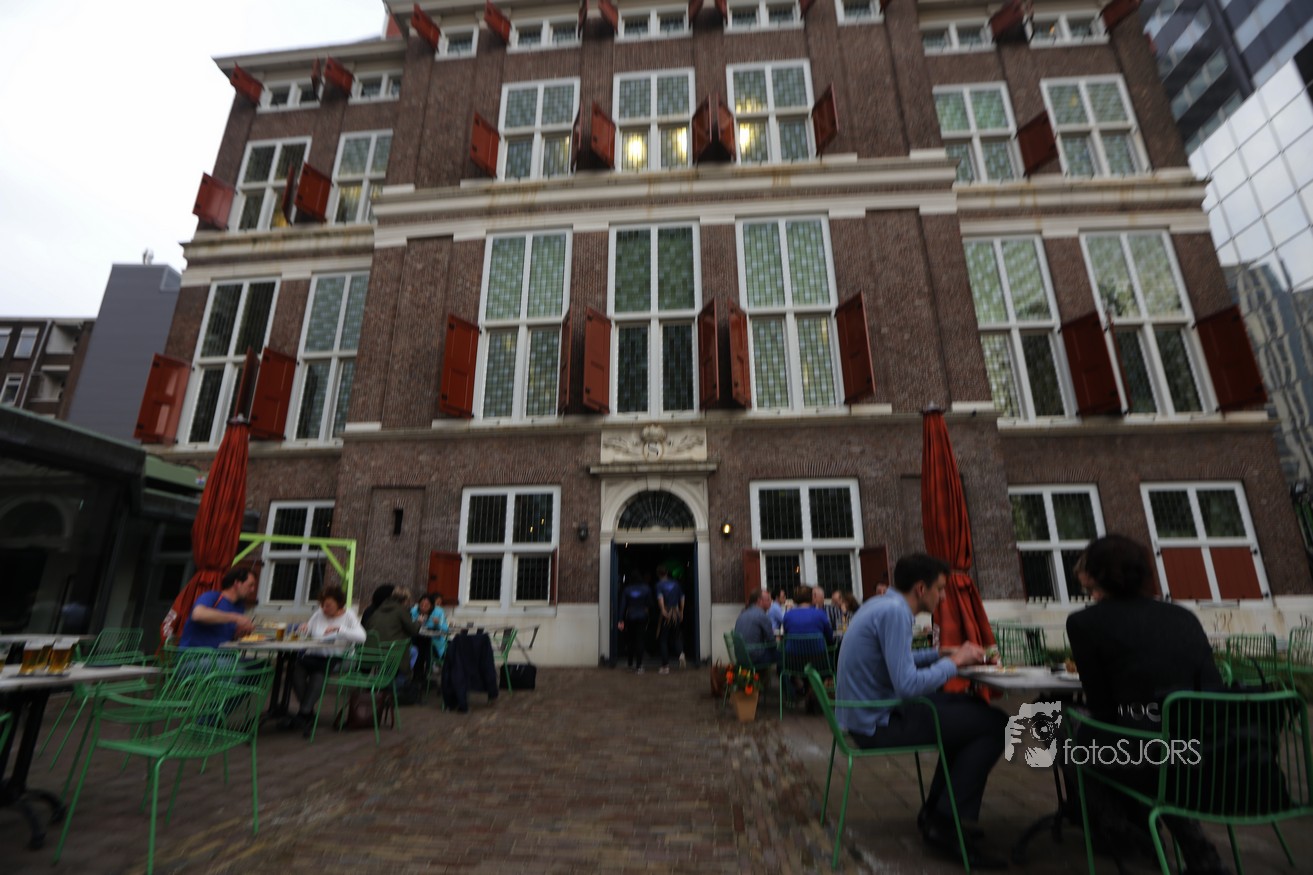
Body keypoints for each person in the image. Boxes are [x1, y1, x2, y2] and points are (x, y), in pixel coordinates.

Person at [1065, 534, 1227, 872]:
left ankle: (1120, 829)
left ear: (1096, 575)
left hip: (1149, 757)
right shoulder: (1182, 616)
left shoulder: (1086, 622)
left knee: (1068, 727)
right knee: (1162, 744)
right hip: (1211, 753)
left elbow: (1102, 708)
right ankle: (1199, 852)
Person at [835, 553, 1007, 870]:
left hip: (868, 714)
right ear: (920, 588)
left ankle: (937, 813)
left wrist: (941, 653)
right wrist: (954, 663)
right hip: (878, 724)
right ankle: (945, 822)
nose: (943, 597)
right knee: (996, 724)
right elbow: (908, 685)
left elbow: (896, 661)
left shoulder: (880, 604)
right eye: (940, 589)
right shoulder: (895, 613)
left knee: (973, 710)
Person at [285, 585, 366, 735]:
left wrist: (339, 630)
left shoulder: (349, 615)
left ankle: (304, 714)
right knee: (295, 669)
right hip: (315, 655)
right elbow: (309, 629)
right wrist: (304, 628)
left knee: (318, 673)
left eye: (328, 605)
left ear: (339, 604)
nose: (324, 608)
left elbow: (362, 637)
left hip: (338, 658)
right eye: (322, 604)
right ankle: (307, 712)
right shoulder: (319, 614)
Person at [177, 566, 257, 649]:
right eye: (250, 585)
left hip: (220, 654)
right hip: (193, 654)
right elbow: (197, 615)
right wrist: (235, 618)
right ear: (237, 583)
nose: (253, 590)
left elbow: (227, 637)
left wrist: (239, 634)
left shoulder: (239, 606)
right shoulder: (212, 596)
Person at [616, 573, 655, 673]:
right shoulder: (646, 588)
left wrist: (620, 619)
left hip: (630, 616)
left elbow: (623, 605)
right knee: (640, 640)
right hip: (642, 616)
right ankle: (639, 665)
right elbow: (651, 603)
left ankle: (630, 662)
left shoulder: (627, 589)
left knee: (630, 640)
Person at [732, 589, 778, 669]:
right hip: (755, 657)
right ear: (759, 601)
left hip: (741, 657)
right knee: (783, 655)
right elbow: (772, 642)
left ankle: (762, 676)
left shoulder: (742, 614)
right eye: (768, 599)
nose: (771, 601)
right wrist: (778, 641)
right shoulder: (762, 616)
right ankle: (785, 677)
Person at [654, 564, 685, 674]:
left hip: (667, 613)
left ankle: (665, 666)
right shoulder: (676, 583)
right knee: (676, 636)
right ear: (667, 573)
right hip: (676, 612)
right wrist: (681, 611)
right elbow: (682, 597)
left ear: (658, 574)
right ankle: (681, 654)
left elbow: (660, 598)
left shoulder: (659, 585)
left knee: (663, 639)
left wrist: (663, 610)